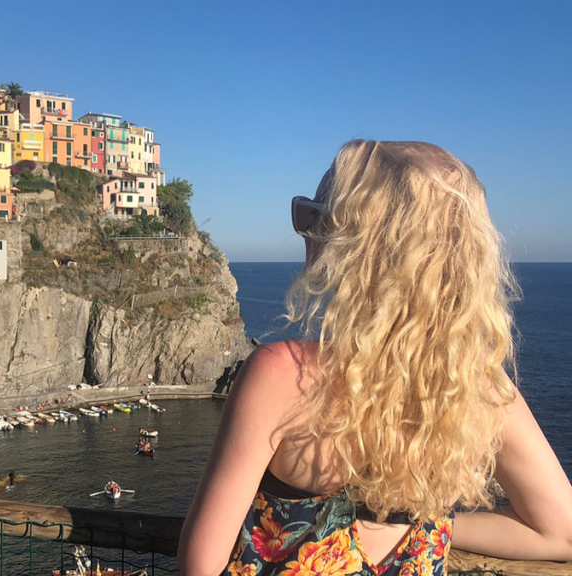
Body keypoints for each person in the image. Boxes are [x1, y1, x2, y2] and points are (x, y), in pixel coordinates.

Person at [179, 141, 572, 576]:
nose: (305, 232)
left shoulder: (283, 376)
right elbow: (561, 533)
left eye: (313, 216)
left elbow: (201, 565)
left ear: (354, 247)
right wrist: (432, 520)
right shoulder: (474, 386)